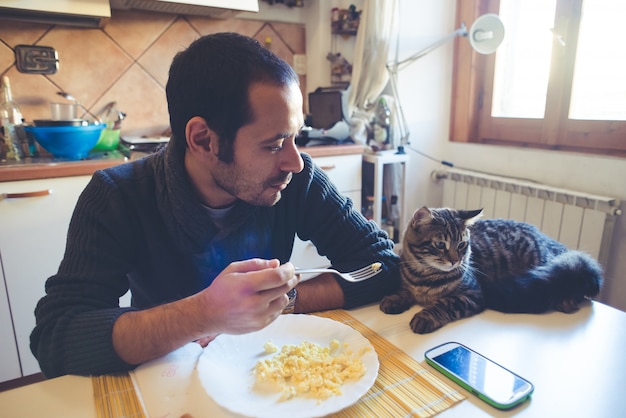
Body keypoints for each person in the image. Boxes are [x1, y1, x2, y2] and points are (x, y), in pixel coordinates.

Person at [30, 32, 400, 378]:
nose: (295, 161)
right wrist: (203, 314)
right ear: (203, 139)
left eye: (296, 136)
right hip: (167, 381)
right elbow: (56, 337)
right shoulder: (118, 196)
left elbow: (383, 265)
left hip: (267, 374)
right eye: (273, 144)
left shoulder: (297, 180)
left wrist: (282, 300)